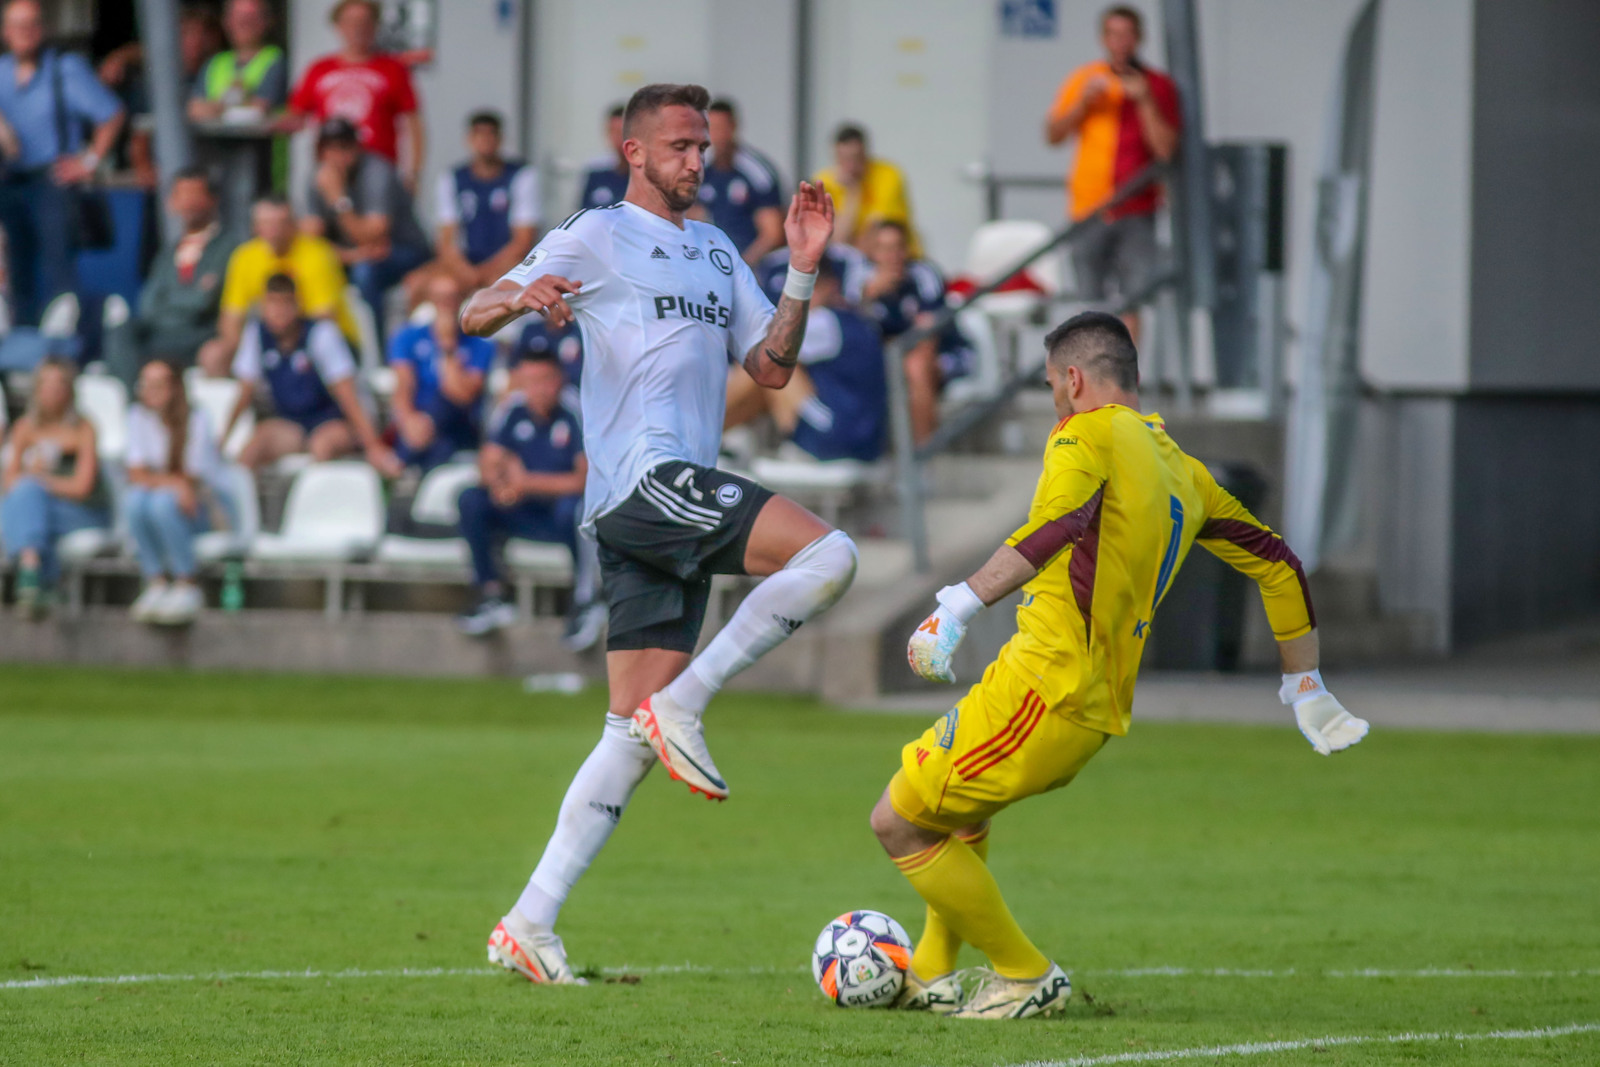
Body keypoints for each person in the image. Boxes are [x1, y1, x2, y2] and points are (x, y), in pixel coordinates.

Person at [461, 82, 856, 984]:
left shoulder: (719, 252)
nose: (697, 161)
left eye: (705, 147)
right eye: (680, 146)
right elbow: (470, 309)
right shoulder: (596, 232)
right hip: (645, 483)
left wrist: (799, 268)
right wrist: (524, 297)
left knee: (626, 734)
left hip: (649, 508)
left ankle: (530, 921)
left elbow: (772, 365)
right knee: (831, 553)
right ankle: (689, 699)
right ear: (634, 152)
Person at [871, 312, 1370, 1019]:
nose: (1054, 400)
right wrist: (1307, 685)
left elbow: (1052, 529)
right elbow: (1279, 564)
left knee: (895, 820)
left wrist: (955, 606)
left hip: (1044, 686)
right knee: (963, 809)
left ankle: (1024, 972)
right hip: (1087, 702)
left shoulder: (1086, 433)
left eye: (1051, 385)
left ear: (1073, 380)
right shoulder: (1185, 470)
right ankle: (930, 970)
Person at [1045, 5, 1180, 341]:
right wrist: (1082, 105)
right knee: (1088, 303)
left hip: (1137, 208)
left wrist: (1145, 100)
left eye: (1127, 35)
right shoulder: (1085, 79)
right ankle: (1093, 384)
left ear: (1139, 39)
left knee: (1131, 301)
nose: (1121, 43)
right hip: (1089, 207)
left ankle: (1124, 387)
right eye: (1114, 35)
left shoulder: (1158, 85)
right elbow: (1053, 135)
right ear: (1103, 38)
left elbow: (1166, 150)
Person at [455, 350, 604, 651]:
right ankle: (491, 592)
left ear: (559, 380)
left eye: (546, 380)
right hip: (523, 509)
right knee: (471, 499)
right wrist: (501, 484)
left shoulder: (575, 408)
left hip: (561, 514)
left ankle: (587, 600)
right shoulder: (513, 408)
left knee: (578, 510)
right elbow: (487, 460)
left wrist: (524, 483)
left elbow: (586, 479)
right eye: (531, 381)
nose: (539, 389)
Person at [0, 0, 125, 326]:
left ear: (42, 29)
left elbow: (110, 113)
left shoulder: (65, 68)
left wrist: (90, 160)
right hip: (10, 181)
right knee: (17, 270)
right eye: (17, 25)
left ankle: (65, 350)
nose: (24, 33)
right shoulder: (1, 71)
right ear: (5, 31)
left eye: (31, 24)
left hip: (52, 180)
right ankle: (25, 348)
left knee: (58, 272)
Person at [222, 273, 398, 475]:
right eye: (273, 303)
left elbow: (347, 395)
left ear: (298, 304)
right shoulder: (257, 335)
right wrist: (222, 442)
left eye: (286, 303)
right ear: (263, 306)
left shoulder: (321, 334)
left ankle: (318, 503)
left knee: (321, 446)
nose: (279, 312)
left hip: (333, 421)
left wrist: (373, 445)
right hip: (293, 424)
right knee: (255, 445)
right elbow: (244, 393)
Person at [726, 253, 886, 463]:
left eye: (809, 287)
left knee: (766, 365)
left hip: (836, 435)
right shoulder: (852, 321)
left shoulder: (826, 321)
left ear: (832, 286)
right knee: (771, 366)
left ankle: (698, 435)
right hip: (861, 440)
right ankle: (721, 436)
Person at [106, 167, 240, 387]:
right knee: (121, 331)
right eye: (182, 195)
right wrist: (188, 297)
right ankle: (134, 400)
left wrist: (172, 301)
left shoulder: (228, 248)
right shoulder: (169, 252)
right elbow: (148, 305)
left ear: (212, 200)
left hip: (199, 336)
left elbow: (203, 303)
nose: (188, 203)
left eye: (194, 194)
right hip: (160, 334)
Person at [301, 116, 431, 343]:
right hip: (355, 255)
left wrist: (338, 199)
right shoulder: (318, 177)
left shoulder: (377, 171)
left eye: (344, 146)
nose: (337, 155)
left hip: (405, 250)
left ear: (357, 146)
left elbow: (372, 236)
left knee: (365, 273)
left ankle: (377, 350)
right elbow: (310, 240)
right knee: (309, 266)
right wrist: (350, 255)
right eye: (329, 147)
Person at [198, 195, 357, 378]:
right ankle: (235, 404)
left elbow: (325, 315)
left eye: (281, 222)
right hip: (267, 340)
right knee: (214, 355)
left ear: (293, 224)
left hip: (318, 340)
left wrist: (278, 326)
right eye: (267, 223)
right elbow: (231, 316)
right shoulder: (244, 257)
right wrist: (240, 350)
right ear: (255, 227)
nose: (275, 230)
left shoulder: (318, 254)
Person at [0, 358, 110, 618]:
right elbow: (9, 483)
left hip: (83, 512)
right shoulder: (25, 428)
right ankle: (38, 573)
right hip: (40, 511)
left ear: (70, 390)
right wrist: (34, 478)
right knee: (25, 501)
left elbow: (83, 487)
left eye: (59, 384)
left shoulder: (84, 428)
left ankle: (30, 573)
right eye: (46, 384)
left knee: (25, 502)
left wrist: (42, 480)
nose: (52, 391)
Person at [124, 360, 230, 627]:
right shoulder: (137, 416)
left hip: (202, 509)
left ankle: (187, 581)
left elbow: (194, 479)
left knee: (160, 504)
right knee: (134, 501)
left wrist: (174, 485)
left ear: (175, 388)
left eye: (159, 384)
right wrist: (175, 484)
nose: (151, 391)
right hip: (169, 500)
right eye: (146, 384)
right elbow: (136, 474)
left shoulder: (197, 418)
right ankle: (156, 581)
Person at [848, 219, 971, 445]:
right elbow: (849, 335)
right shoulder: (861, 283)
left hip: (947, 354)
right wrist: (868, 299)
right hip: (888, 359)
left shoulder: (924, 274)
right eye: (885, 249)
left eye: (898, 247)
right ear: (873, 252)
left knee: (915, 364)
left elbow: (927, 336)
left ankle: (923, 457)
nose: (893, 255)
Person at [287, 0, 424, 190]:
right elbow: (295, 117)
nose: (358, 28)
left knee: (377, 218)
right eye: (350, 22)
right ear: (337, 26)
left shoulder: (393, 68)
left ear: (375, 26)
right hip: (331, 169)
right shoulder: (319, 69)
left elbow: (414, 124)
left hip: (378, 168)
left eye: (365, 22)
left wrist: (414, 173)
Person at [407, 110, 540, 302]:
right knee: (416, 283)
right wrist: (466, 271)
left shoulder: (521, 176)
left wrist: (483, 272)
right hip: (466, 263)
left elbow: (523, 241)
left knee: (501, 286)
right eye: (479, 134)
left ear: (500, 139)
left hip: (505, 263)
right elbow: (445, 241)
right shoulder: (452, 178)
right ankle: (422, 332)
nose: (484, 141)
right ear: (469, 139)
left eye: (490, 134)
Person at [388, 273, 494, 471]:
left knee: (445, 406)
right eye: (440, 298)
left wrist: (447, 347)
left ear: (461, 300)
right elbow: (403, 386)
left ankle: (401, 461)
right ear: (431, 301)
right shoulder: (407, 337)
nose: (446, 304)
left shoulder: (479, 344)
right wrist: (408, 421)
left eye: (451, 298)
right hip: (418, 423)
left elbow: (463, 395)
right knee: (438, 450)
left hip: (459, 423)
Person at [812, 124, 920, 257]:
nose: (851, 165)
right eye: (844, 158)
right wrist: (852, 194)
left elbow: (882, 233)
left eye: (856, 158)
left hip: (896, 256)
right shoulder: (823, 181)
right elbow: (836, 239)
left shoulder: (888, 175)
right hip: (850, 259)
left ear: (865, 153)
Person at [698, 98, 784, 265]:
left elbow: (772, 234)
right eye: (712, 129)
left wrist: (740, 266)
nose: (717, 136)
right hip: (709, 261)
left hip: (751, 264)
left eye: (722, 128)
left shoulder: (757, 173)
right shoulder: (700, 168)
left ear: (734, 127)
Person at [188, 0, 290, 121]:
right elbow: (193, 109)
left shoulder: (275, 59)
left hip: (259, 139)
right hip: (215, 139)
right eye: (238, 18)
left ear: (266, 21)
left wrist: (215, 107)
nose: (244, 24)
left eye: (251, 18)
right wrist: (238, 102)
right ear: (226, 22)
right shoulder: (214, 62)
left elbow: (258, 110)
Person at [576, 103, 628, 209]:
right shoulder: (596, 170)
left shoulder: (645, 174)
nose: (618, 138)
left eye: (622, 132)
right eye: (613, 131)